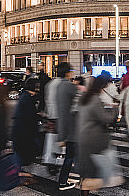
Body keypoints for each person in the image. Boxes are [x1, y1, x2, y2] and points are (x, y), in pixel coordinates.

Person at [77, 74, 120, 195]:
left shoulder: (84, 97)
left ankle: (85, 192)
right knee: (97, 170)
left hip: (83, 136)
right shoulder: (95, 99)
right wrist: (115, 108)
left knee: (87, 171)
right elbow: (105, 119)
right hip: (94, 139)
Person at [53, 62, 79, 191]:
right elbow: (81, 100)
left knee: (71, 155)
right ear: (67, 72)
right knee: (70, 156)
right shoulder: (69, 85)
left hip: (63, 125)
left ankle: (64, 180)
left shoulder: (59, 86)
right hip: (72, 127)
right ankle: (63, 182)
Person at [12, 77, 41, 178]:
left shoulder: (25, 96)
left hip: (20, 131)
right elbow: (30, 116)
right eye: (36, 87)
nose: (37, 89)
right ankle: (17, 174)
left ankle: (19, 172)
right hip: (23, 132)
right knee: (21, 153)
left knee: (20, 153)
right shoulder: (27, 98)